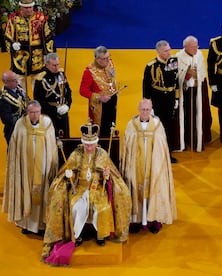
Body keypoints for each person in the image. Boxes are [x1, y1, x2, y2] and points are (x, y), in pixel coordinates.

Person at [41, 121, 131, 264]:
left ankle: (100, 235)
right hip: (80, 190)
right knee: (76, 207)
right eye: (87, 144)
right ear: (83, 143)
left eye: (92, 144)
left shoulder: (102, 154)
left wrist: (107, 177)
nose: (89, 147)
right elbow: (65, 171)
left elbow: (113, 175)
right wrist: (69, 175)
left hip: (98, 191)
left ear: (96, 143)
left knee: (101, 208)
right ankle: (78, 234)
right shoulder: (76, 154)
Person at [120, 99, 177, 234]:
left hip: (153, 167)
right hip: (136, 167)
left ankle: (153, 220)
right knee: (134, 187)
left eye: (147, 110)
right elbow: (127, 148)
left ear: (151, 110)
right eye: (142, 109)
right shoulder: (131, 125)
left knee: (153, 187)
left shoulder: (157, 125)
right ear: (138, 109)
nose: (145, 112)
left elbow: (162, 148)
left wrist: (158, 164)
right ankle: (136, 220)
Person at [2, 100, 58, 235]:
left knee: (42, 191)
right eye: (32, 112)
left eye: (37, 112)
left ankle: (42, 224)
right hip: (25, 168)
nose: (34, 115)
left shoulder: (47, 124)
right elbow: (15, 147)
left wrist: (51, 164)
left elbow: (52, 145)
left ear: (40, 111)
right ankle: (26, 224)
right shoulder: (20, 125)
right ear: (27, 112)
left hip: (43, 167)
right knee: (25, 191)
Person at [4, 0, 55, 93]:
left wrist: (48, 55)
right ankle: (21, 104)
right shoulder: (13, 19)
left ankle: (38, 106)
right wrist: (12, 45)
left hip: (37, 57)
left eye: (30, 7)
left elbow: (48, 37)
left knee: (39, 86)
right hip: (19, 58)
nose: (29, 10)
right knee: (18, 85)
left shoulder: (40, 19)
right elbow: (7, 36)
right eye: (26, 8)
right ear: (21, 8)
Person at [143, 40, 179, 163]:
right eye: (165, 51)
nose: (169, 53)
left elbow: (176, 81)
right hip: (158, 101)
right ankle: (156, 154)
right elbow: (146, 87)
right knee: (157, 128)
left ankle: (168, 153)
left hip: (170, 99)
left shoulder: (174, 61)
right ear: (158, 52)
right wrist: (149, 105)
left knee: (169, 127)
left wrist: (177, 99)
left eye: (169, 50)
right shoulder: (151, 66)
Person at [176, 35, 212, 152]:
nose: (196, 49)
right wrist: (187, 74)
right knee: (187, 116)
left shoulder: (199, 54)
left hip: (198, 90)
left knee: (200, 114)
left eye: (197, 46)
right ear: (186, 47)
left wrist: (197, 75)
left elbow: (202, 73)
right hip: (186, 93)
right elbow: (178, 76)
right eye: (193, 47)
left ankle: (200, 138)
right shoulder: (178, 57)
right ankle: (186, 139)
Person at [80, 45, 118, 138]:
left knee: (111, 127)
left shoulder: (109, 62)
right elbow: (82, 90)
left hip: (111, 101)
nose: (108, 60)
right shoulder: (89, 72)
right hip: (99, 106)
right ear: (98, 59)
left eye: (108, 57)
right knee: (100, 131)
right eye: (105, 58)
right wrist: (99, 97)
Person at [34, 53, 72, 138]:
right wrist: (55, 109)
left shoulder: (61, 74)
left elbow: (68, 92)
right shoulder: (41, 79)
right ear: (47, 65)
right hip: (49, 115)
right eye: (54, 65)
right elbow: (38, 102)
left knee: (65, 138)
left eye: (58, 64)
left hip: (63, 113)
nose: (57, 68)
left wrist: (67, 105)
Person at [0, 70, 30, 144]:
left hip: (27, 127)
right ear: (6, 82)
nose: (17, 82)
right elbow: (7, 119)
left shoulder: (18, 87)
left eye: (17, 79)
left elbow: (27, 99)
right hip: (14, 131)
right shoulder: (3, 98)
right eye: (14, 80)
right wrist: (24, 115)